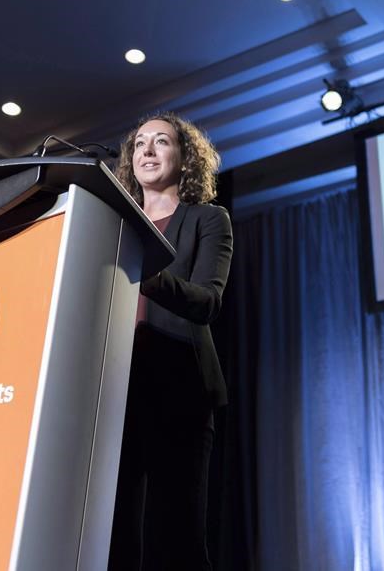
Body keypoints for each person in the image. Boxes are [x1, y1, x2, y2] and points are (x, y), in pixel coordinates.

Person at [108, 112, 232, 571]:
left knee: (175, 539)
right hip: (115, 393)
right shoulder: (111, 227)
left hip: (179, 391)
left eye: (161, 141)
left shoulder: (207, 219)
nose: (147, 150)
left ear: (185, 158)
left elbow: (207, 301)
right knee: (114, 536)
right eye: (140, 143)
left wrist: (149, 274)